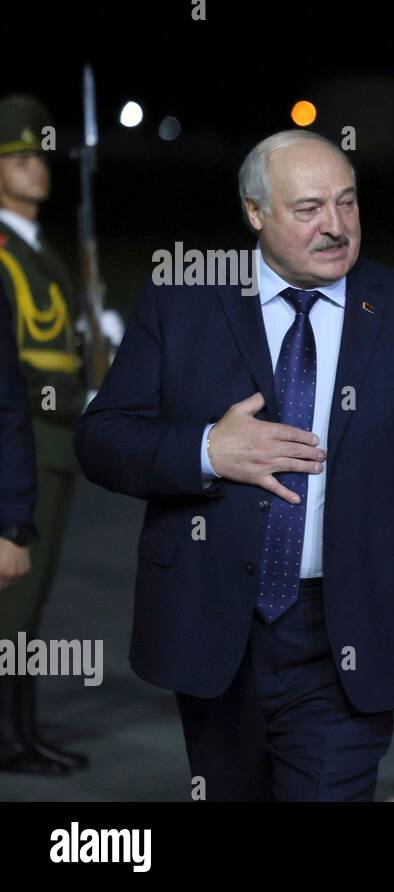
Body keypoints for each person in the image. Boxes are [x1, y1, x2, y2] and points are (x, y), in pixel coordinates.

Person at [74, 130, 394, 801]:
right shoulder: (183, 299)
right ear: (255, 212)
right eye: (309, 209)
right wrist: (205, 451)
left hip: (350, 628)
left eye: (347, 203)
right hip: (218, 624)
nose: (335, 227)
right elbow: (102, 437)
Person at [0, 94, 94, 774]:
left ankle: (20, 730)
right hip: (25, 436)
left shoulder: (37, 250)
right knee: (13, 604)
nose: (39, 168)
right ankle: (8, 738)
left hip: (53, 441)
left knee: (30, 608)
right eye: (21, 158)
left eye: (39, 156)